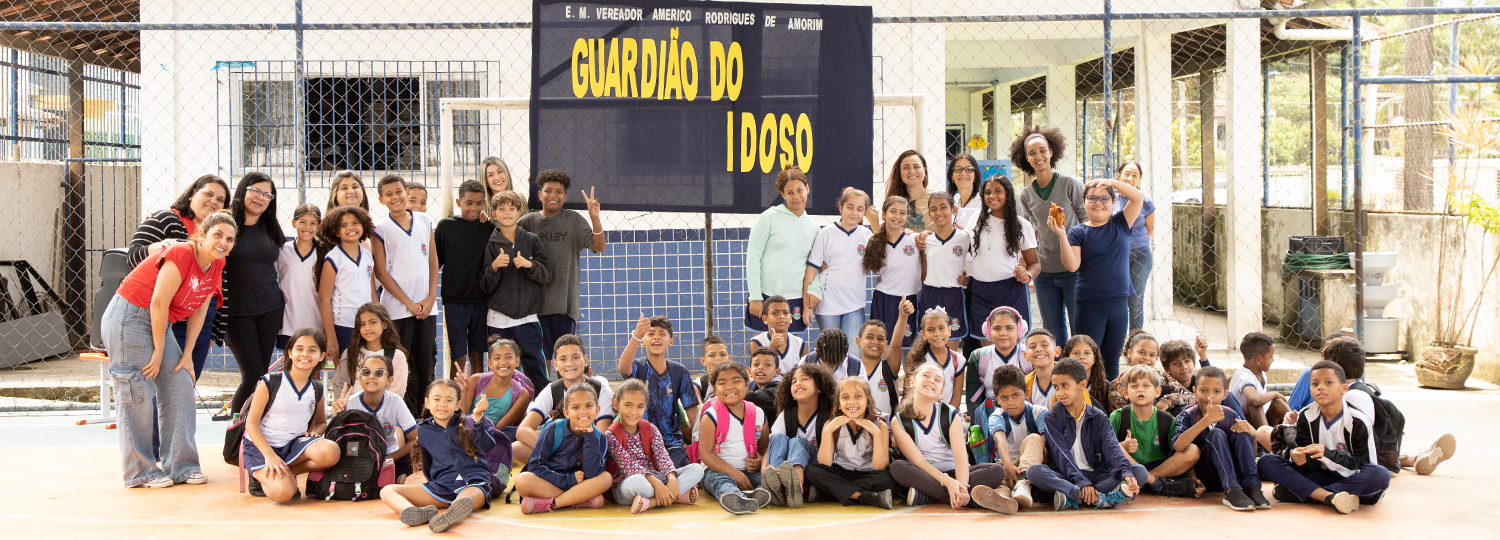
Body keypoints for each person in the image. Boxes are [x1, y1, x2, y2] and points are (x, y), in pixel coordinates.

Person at [102, 211, 236, 488]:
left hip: (159, 324)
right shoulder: (182, 252)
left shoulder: (216, 263)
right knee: (136, 391)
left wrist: (187, 354)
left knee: (180, 382)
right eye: (218, 235)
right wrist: (159, 350)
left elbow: (200, 308)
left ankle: (182, 466)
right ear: (201, 235)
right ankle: (140, 471)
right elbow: (159, 302)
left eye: (230, 239)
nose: (224, 242)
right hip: (131, 317)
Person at [126, 174, 231, 378]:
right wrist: (158, 248)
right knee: (166, 380)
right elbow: (132, 256)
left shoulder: (222, 235)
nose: (214, 201)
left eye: (220, 199)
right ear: (192, 195)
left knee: (187, 379)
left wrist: (214, 330)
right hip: (168, 311)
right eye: (208, 194)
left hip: (201, 315)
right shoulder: (166, 219)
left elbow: (216, 284)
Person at [1256, 361, 1390, 514]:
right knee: (1267, 461)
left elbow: (1364, 464)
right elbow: (1308, 464)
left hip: (1351, 479)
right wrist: (1299, 457)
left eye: (1329, 382)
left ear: (1344, 388)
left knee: (1380, 475)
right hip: (1322, 475)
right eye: (1314, 384)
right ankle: (1329, 497)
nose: (1320, 387)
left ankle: (1311, 494)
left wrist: (1328, 454)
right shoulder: (1306, 416)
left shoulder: (1358, 421)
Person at [1051, 177, 1145, 383]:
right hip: (1089, 304)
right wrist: (1061, 235)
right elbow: (1072, 265)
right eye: (1092, 198)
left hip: (1118, 303)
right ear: (1084, 202)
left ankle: (1108, 409)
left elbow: (1138, 197)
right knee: (1087, 360)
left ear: (1113, 203)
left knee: (1111, 361)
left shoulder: (1120, 222)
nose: (1098, 202)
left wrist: (1111, 181)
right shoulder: (1077, 232)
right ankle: (1085, 406)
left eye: (1104, 198)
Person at [889, 362, 1014, 513]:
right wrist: (947, 482)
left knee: (996, 471)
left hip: (955, 472)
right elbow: (918, 461)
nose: (931, 381)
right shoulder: (899, 421)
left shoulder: (950, 414)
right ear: (912, 382)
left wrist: (962, 486)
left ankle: (930, 497)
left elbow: (960, 456)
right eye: (926, 376)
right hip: (926, 475)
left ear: (940, 392)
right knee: (898, 468)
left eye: (937, 380)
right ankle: (973, 500)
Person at [1025, 358, 1146, 511]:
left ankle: (1072, 497)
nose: (1060, 392)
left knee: (1139, 472)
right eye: (1056, 387)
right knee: (1034, 471)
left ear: (1082, 384)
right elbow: (1061, 456)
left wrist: (1125, 472)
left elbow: (1112, 449)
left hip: (1096, 475)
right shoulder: (1053, 416)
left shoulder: (1099, 417)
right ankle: (1100, 498)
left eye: (1065, 386)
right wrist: (1082, 484)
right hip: (1066, 475)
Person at [380, 379, 497, 533]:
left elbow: (488, 446)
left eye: (449, 400)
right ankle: (415, 512)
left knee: (465, 500)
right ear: (427, 402)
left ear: (457, 405)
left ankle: (452, 516)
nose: (442, 404)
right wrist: (432, 486)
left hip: (474, 483)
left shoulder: (470, 422)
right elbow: (427, 464)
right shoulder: (423, 430)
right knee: (387, 491)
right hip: (443, 486)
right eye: (437, 399)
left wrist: (479, 418)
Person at [241, 327, 340, 503]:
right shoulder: (271, 381)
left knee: (331, 451)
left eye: (312, 350)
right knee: (284, 494)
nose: (305, 354)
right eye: (299, 349)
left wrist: (316, 431)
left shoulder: (316, 388)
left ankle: (287, 471)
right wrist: (269, 454)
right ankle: (259, 476)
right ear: (290, 352)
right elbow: (251, 424)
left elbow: (320, 422)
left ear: (322, 356)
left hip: (293, 446)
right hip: (262, 447)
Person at [370, 175, 439, 413]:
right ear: (381, 199)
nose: (395, 197)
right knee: (402, 363)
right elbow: (381, 271)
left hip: (427, 308)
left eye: (398, 192)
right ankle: (405, 416)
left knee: (426, 361)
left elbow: (432, 261)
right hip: (398, 310)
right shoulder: (380, 229)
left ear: (406, 193)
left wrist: (431, 298)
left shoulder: (423, 220)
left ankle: (427, 413)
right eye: (388, 194)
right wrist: (409, 303)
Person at [519, 169, 607, 353]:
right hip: (534, 306)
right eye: (548, 190)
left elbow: (599, 247)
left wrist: (595, 218)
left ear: (565, 196)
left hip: (564, 305)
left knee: (563, 356)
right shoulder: (527, 223)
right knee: (542, 360)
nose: (553, 195)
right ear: (539, 194)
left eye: (559, 191)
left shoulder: (573, 220)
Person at [1013, 127, 1086, 342]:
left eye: (1042, 150)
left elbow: (1086, 221)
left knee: (1079, 329)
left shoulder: (1069, 184)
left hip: (1073, 270)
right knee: (1053, 332)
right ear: (1026, 158)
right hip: (1045, 273)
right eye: (1032, 153)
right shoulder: (1026, 195)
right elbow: (1031, 230)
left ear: (1051, 152)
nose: (1038, 156)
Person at [224, 172, 286, 414]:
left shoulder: (268, 226)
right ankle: (235, 433)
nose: (261, 198)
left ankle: (254, 431)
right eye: (256, 191)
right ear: (243, 190)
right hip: (238, 313)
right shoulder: (226, 224)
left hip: (270, 308)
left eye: (267, 194)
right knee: (251, 375)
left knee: (262, 375)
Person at [480, 190, 553, 387]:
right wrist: (494, 267)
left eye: (511, 208)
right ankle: (502, 412)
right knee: (501, 372)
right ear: (494, 214)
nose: (507, 213)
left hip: (527, 317)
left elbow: (546, 274)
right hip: (499, 319)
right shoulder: (490, 245)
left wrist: (530, 266)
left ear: (519, 213)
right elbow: (484, 286)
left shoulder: (531, 240)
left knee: (536, 367)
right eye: (501, 209)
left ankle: (542, 412)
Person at [1173, 366, 1267, 511]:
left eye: (1216, 391)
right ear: (1194, 391)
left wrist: (1253, 435)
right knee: (1216, 434)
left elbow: (1251, 454)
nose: (1209, 396)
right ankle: (1231, 491)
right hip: (1206, 476)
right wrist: (1206, 420)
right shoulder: (1188, 415)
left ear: (1225, 394)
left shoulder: (1231, 414)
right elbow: (1178, 446)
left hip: (1234, 475)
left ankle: (1252, 487)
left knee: (1242, 431)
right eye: (1203, 390)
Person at [512, 335, 615, 465]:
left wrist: (575, 456)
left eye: (575, 357)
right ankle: (561, 474)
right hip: (559, 456)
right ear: (555, 364)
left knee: (604, 477)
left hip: (590, 455)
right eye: (563, 359)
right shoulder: (552, 390)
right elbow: (523, 430)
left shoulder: (601, 390)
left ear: (586, 360)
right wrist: (556, 454)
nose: (569, 364)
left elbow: (602, 436)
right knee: (517, 448)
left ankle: (561, 478)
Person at [606, 379, 705, 513]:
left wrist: (671, 478)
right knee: (638, 483)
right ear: (616, 405)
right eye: (628, 405)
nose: (634, 412)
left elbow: (662, 456)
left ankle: (652, 501)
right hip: (626, 484)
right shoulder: (611, 435)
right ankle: (675, 496)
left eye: (640, 406)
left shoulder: (650, 429)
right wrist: (657, 484)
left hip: (655, 477)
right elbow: (628, 465)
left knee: (697, 469)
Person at [514, 382, 615, 514]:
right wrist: (568, 481)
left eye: (589, 406)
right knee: (522, 480)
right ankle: (579, 500)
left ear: (597, 410)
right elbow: (535, 465)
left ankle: (553, 503)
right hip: (551, 481)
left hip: (580, 484)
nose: (583, 411)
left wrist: (590, 437)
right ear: (566, 412)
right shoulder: (553, 429)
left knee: (606, 478)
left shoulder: (599, 438)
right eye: (576, 407)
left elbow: (593, 475)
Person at [616, 314, 701, 467]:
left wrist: (699, 444)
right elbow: (623, 368)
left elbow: (692, 412)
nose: (657, 338)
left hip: (671, 444)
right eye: (651, 334)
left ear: (671, 341)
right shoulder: (637, 367)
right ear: (643, 341)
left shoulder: (679, 372)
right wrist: (636, 336)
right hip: (638, 443)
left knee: (685, 471)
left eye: (662, 334)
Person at [746, 165, 822, 333]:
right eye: (790, 192)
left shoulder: (814, 229)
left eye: (799, 190)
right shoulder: (768, 218)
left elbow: (816, 267)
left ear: (807, 188)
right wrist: (755, 296)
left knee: (792, 351)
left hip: (794, 299)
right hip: (765, 296)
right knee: (763, 351)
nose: (796, 197)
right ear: (783, 195)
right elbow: (753, 257)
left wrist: (812, 297)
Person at [964, 175, 1039, 341]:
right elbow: (963, 247)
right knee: (986, 345)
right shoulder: (976, 219)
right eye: (987, 192)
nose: (992, 196)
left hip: (1011, 290)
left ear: (1008, 194)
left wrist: (1027, 275)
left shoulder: (1021, 225)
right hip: (981, 290)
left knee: (1012, 343)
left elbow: (1034, 263)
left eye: (998, 191)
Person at [1108, 365, 1202, 498]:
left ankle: (1147, 480)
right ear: (1125, 393)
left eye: (1146, 385)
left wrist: (1194, 479)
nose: (1140, 389)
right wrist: (1123, 445)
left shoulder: (1167, 420)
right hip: (1130, 466)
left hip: (1160, 467)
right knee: (1115, 446)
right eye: (1134, 386)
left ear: (1157, 392)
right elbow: (1107, 449)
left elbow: (1178, 452)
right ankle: (1156, 484)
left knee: (1193, 450)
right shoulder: (1118, 416)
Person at [805, 377, 896, 508]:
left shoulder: (879, 426)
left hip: (868, 474)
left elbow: (880, 467)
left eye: (858, 396)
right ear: (838, 404)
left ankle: (830, 493)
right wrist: (828, 431)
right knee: (812, 471)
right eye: (845, 397)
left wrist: (876, 434)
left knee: (888, 480)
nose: (851, 402)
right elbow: (825, 463)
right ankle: (863, 497)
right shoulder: (831, 424)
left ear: (868, 402)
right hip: (841, 472)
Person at [698, 361, 775, 514]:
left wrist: (760, 461)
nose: (729, 387)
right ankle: (735, 497)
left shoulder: (758, 413)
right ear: (714, 388)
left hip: (749, 471)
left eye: (736, 381)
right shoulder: (710, 416)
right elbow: (705, 454)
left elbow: (764, 447)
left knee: (767, 481)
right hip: (716, 471)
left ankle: (753, 496)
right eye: (722, 383)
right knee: (721, 482)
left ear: (747, 385)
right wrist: (734, 474)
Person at [435, 180, 494, 378]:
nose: (474, 208)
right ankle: (456, 401)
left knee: (478, 353)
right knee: (457, 355)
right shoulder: (445, 227)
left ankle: (477, 400)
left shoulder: (488, 228)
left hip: (481, 300)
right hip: (454, 301)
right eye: (469, 203)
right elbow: (436, 262)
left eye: (479, 203)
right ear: (459, 202)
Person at [803, 188, 872, 355]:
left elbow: (871, 265)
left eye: (860, 209)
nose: (854, 212)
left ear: (865, 212)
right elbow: (811, 269)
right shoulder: (826, 233)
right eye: (850, 207)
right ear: (840, 207)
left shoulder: (866, 235)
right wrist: (806, 307)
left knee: (854, 353)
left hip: (854, 305)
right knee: (832, 353)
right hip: (828, 306)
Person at [332, 353, 418, 483]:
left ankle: (398, 477)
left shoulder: (395, 402)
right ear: (359, 378)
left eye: (379, 373)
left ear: (389, 380)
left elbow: (415, 439)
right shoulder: (349, 402)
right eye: (366, 372)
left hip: (388, 455)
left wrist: (389, 458)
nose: (371, 376)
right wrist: (337, 416)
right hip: (357, 458)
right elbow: (337, 441)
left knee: (417, 456)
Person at [762, 363, 836, 507]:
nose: (798, 383)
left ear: (819, 387)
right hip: (786, 468)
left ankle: (796, 488)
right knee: (778, 437)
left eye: (805, 379)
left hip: (817, 466)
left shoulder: (828, 417)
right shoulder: (786, 415)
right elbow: (771, 446)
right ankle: (777, 483)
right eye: (794, 381)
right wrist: (764, 467)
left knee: (797, 442)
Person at [965, 307, 1032, 462]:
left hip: (1023, 414)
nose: (1003, 333)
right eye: (997, 328)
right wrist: (986, 424)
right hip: (989, 415)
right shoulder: (979, 356)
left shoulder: (1027, 355)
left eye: (1009, 328)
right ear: (988, 330)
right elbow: (973, 399)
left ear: (1019, 330)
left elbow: (1032, 396)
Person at [314, 205, 377, 361]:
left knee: (368, 369)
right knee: (345, 374)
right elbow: (324, 299)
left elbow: (372, 292)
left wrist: (379, 318)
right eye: (344, 225)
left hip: (366, 324)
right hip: (343, 325)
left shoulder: (368, 256)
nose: (351, 228)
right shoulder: (333, 258)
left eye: (355, 223)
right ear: (336, 231)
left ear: (363, 225)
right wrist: (331, 338)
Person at [982, 365, 1048, 509]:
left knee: (1035, 439)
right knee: (999, 474)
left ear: (1026, 393)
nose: (1010, 402)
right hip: (1006, 464)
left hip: (1033, 466)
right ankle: (1002, 497)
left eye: (1016, 395)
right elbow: (1000, 440)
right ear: (997, 399)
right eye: (1004, 398)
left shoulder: (1039, 412)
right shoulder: (997, 416)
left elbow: (1046, 444)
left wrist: (1017, 463)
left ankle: (1024, 484)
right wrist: (1007, 465)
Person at [914, 192, 971, 351]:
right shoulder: (926, 240)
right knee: (930, 344)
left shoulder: (965, 237)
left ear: (953, 209)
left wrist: (968, 280)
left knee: (950, 347)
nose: (938, 213)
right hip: (930, 293)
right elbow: (923, 270)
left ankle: (950, 376)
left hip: (953, 295)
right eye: (933, 209)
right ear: (929, 212)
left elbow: (979, 260)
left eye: (943, 207)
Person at [863, 196, 921, 347]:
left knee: (907, 347)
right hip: (883, 299)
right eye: (893, 211)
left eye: (902, 213)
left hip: (908, 300)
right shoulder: (875, 241)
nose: (897, 216)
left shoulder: (914, 239)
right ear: (884, 214)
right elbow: (864, 268)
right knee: (881, 346)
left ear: (907, 216)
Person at [460, 336, 534, 442]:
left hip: (493, 438)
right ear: (490, 363)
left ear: (517, 361)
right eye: (497, 358)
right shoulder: (475, 380)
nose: (503, 362)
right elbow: (461, 416)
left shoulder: (522, 393)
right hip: (467, 432)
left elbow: (500, 428)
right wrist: (463, 391)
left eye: (508, 357)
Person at [331, 302, 409, 399]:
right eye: (362, 324)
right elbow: (340, 384)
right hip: (353, 411)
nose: (367, 328)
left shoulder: (397, 356)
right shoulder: (351, 353)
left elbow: (397, 391)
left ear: (384, 324)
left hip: (385, 412)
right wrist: (347, 407)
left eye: (373, 322)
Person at [1114, 161, 1155, 330]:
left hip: (1140, 254)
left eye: (1134, 175)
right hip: (1116, 256)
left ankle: (1135, 341)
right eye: (1126, 174)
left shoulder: (1145, 201)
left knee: (1136, 300)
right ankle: (1118, 339)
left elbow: (1149, 229)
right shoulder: (1109, 198)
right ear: (1118, 175)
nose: (1130, 178)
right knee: (1118, 299)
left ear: (1139, 179)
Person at [276, 204, 322, 352]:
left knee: (314, 366)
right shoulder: (283, 251)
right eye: (302, 221)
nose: (307, 227)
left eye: (313, 223)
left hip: (316, 322)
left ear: (319, 226)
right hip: (289, 323)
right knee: (291, 366)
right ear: (293, 223)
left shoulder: (324, 253)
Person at [1107, 330, 1188, 411]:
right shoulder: (1118, 385)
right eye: (1142, 352)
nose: (1147, 358)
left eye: (1152, 355)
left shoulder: (1162, 378)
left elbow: (1191, 397)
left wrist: (1170, 400)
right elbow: (1120, 418)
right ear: (1129, 353)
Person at [851, 312, 909, 418]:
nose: (875, 342)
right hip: (858, 430)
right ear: (858, 341)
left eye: (880, 339)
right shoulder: (851, 369)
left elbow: (896, 344)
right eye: (870, 337)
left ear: (886, 344)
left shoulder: (888, 368)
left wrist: (903, 316)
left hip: (886, 431)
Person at [1230, 332, 1291, 431]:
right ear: (1259, 359)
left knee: (1278, 403)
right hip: (1243, 426)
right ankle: (1267, 439)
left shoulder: (1260, 373)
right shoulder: (1245, 376)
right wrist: (1275, 394)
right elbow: (1253, 399)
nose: (1273, 360)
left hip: (1261, 419)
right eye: (1271, 356)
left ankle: (1299, 431)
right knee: (1255, 404)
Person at [905, 309, 965, 407]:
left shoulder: (958, 361)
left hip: (948, 417)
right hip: (920, 413)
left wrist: (946, 418)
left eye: (941, 328)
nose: (937, 334)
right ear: (923, 334)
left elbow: (956, 398)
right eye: (930, 330)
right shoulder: (917, 358)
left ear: (949, 330)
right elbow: (910, 394)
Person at [750, 295, 806, 373]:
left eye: (785, 313)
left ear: (790, 318)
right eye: (775, 313)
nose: (781, 316)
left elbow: (805, 373)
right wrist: (771, 349)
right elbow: (759, 372)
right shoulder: (756, 342)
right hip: (769, 385)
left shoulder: (800, 344)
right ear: (765, 319)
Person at [882, 150, 932, 230]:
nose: (912, 171)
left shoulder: (937, 199)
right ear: (900, 172)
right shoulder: (892, 202)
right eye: (906, 168)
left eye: (916, 167)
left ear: (924, 170)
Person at [1063, 334, 1110, 412]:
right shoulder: (1060, 384)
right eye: (1076, 353)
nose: (1082, 357)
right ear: (1067, 357)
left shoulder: (1105, 386)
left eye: (1087, 353)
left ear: (1094, 359)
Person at [1157, 339, 1201, 416]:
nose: (1183, 367)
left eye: (1187, 361)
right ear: (1166, 368)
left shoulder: (1199, 381)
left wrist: (1173, 399)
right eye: (1176, 363)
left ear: (1194, 363)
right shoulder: (1163, 385)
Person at [1023, 328, 1060, 406]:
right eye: (1032, 347)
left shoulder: (1072, 380)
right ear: (1026, 356)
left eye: (1044, 345)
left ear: (1057, 351)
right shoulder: (1023, 384)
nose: (1038, 349)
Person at [946, 153, 983, 227]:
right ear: (952, 176)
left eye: (969, 169)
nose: (963, 173)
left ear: (975, 175)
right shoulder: (954, 200)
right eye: (958, 169)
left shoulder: (983, 201)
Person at [745, 347, 783, 416]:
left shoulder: (779, 389)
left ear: (777, 372)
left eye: (768, 364)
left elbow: (752, 397)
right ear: (749, 371)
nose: (761, 367)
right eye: (756, 364)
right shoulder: (752, 386)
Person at [696, 335, 730, 404]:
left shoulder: (738, 382)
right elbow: (698, 411)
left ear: (729, 359)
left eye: (723, 354)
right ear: (703, 361)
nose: (718, 358)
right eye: (712, 355)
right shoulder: (698, 385)